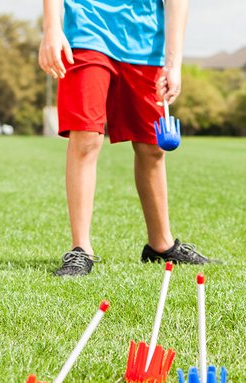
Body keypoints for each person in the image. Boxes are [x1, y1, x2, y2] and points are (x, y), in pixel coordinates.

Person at [39, 0, 210, 277]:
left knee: (152, 146)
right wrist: (51, 28)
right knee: (86, 138)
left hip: (146, 43)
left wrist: (173, 62)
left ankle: (161, 244)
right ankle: (80, 249)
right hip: (87, 32)